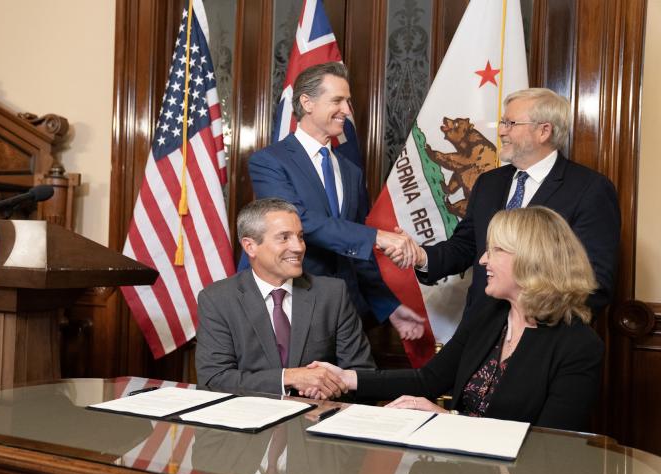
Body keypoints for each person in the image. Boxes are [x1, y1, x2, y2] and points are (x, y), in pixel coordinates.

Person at [309, 207, 604, 431]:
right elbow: (428, 380)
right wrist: (345, 378)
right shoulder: (490, 315)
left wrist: (448, 419)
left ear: (533, 260)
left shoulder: (578, 346)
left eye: (496, 250)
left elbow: (548, 444)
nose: (483, 260)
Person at [396, 88, 620, 316]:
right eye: (503, 123)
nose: (501, 132)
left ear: (544, 131)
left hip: (540, 333)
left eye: (510, 123)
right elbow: (466, 245)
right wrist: (422, 257)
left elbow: (594, 282)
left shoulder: (590, 190)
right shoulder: (488, 183)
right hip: (478, 327)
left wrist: (529, 314)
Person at [248, 62, 425, 341]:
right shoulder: (269, 162)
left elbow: (354, 251)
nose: (347, 110)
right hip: (286, 307)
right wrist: (378, 237)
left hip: (341, 313)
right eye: (338, 101)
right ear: (307, 102)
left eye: (348, 101)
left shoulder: (350, 171)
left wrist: (387, 306)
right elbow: (298, 221)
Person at [195, 198, 375, 399]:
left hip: (315, 420)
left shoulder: (333, 294)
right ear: (250, 246)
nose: (298, 248)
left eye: (300, 236)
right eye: (284, 238)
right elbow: (213, 379)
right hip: (249, 423)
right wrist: (288, 377)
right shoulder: (217, 299)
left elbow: (363, 375)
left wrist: (328, 391)